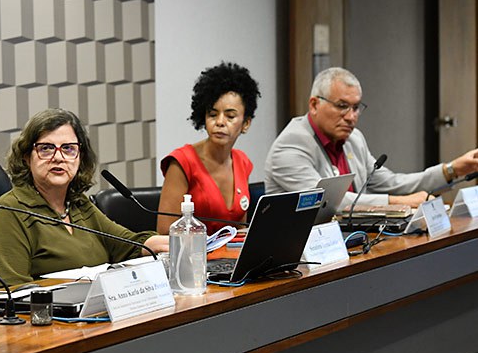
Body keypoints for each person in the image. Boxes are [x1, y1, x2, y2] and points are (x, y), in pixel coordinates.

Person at [0, 108, 169, 288]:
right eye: (46, 148)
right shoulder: (10, 212)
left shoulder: (78, 204)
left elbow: (129, 245)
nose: (58, 157)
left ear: (80, 157)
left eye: (68, 148)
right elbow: (9, 292)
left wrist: (181, 242)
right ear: (27, 157)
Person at [265, 67, 478, 208]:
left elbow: (392, 183)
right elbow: (326, 202)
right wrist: (399, 202)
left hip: (350, 244)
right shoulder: (291, 146)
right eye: (342, 106)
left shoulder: (354, 140)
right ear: (314, 105)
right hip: (301, 257)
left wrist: (453, 170)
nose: (351, 117)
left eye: (356, 107)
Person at [157, 61, 261, 234]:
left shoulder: (243, 162)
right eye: (212, 114)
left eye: (230, 116)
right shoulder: (182, 162)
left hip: (230, 258)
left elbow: (240, 231)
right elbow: (164, 233)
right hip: (193, 257)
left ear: (246, 123)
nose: (220, 122)